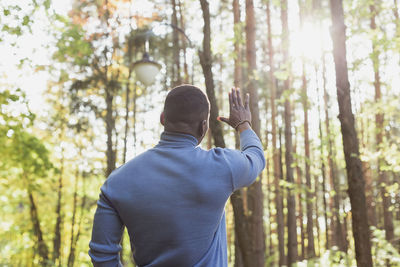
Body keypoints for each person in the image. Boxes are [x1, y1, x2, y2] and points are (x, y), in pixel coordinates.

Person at [89, 85, 265, 267]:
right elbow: (256, 157)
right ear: (203, 126)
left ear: (163, 118)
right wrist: (243, 124)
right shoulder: (222, 166)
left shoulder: (117, 182)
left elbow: (102, 255)